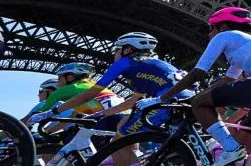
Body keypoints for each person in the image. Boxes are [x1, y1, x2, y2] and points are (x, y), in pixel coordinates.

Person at [139, 7, 251, 166]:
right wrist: (197, 97)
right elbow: (227, 81)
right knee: (244, 141)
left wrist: (161, 99)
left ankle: (230, 149)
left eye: (210, 28)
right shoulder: (247, 45)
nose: (209, 34)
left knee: (201, 105)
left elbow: (198, 72)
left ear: (222, 26)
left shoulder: (224, 36)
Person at [51, 32, 192, 135]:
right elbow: (132, 101)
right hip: (187, 94)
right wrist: (100, 114)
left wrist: (54, 111)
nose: (114, 54)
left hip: (167, 98)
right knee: (124, 123)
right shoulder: (148, 66)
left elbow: (90, 94)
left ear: (128, 49)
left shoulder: (125, 62)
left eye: (116, 49)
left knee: (121, 139)